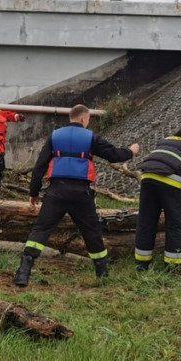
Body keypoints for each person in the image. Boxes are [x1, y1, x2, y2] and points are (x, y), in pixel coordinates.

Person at [14, 104, 139, 285]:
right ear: (83, 118)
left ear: (71, 118)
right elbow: (114, 155)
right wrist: (131, 151)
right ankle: (102, 274)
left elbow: (39, 167)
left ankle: (23, 273)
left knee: (40, 230)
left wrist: (33, 192)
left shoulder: (55, 136)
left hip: (56, 192)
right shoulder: (91, 137)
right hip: (81, 193)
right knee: (92, 232)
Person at [133, 123, 181, 274]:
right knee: (175, 224)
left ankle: (141, 266)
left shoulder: (167, 140)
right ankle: (173, 268)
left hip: (147, 176)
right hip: (172, 179)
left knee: (146, 221)